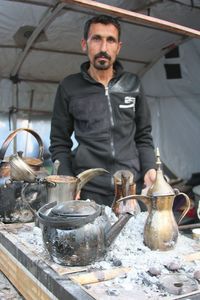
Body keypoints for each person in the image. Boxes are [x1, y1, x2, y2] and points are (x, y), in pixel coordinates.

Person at [49, 14, 156, 207]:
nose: (103, 48)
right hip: (89, 191)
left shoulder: (133, 84)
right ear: (85, 44)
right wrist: (68, 180)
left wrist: (149, 168)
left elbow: (143, 136)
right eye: (96, 39)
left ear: (118, 47)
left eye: (110, 40)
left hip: (131, 188)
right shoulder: (69, 86)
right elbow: (59, 142)